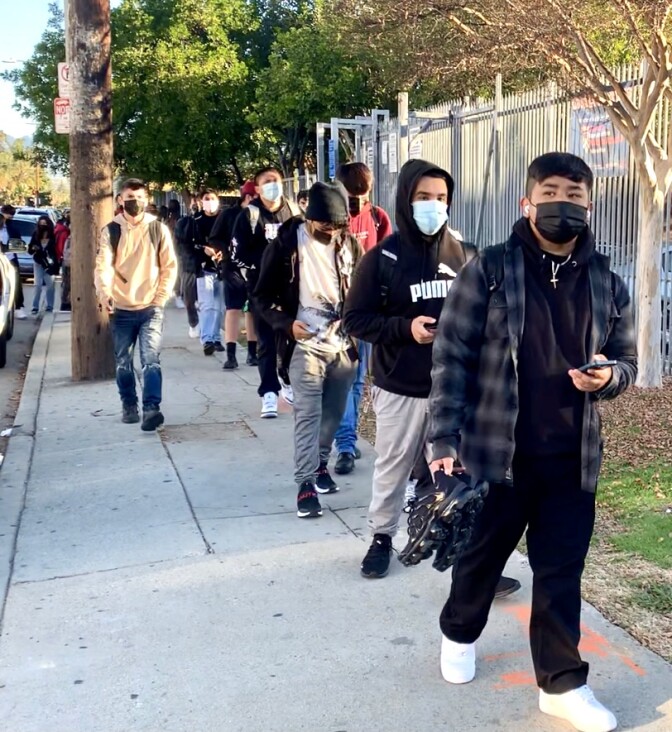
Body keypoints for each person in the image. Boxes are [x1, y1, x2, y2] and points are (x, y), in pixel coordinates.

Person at [427, 153, 637, 732]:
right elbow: (452, 355)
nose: (562, 203)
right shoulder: (490, 269)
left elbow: (627, 362)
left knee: (560, 571)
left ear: (589, 205)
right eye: (551, 192)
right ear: (529, 201)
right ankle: (459, 629)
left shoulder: (606, 282)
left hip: (572, 457)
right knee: (480, 559)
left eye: (574, 194)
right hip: (497, 454)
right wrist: (443, 436)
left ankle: (561, 684)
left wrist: (608, 377)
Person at [343, 160, 522, 595]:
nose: (434, 206)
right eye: (424, 197)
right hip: (403, 387)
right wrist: (406, 328)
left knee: (466, 476)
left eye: (441, 198)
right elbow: (356, 319)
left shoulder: (466, 254)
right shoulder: (382, 258)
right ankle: (382, 537)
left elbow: (491, 314)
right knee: (395, 466)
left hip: (460, 391)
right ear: (407, 198)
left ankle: (471, 562)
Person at [253, 181, 362, 518]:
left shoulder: (349, 245)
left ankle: (319, 465)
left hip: (342, 345)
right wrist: (286, 324)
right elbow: (260, 297)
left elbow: (360, 290)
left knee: (333, 413)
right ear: (309, 217)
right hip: (303, 344)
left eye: (338, 225)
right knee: (308, 414)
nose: (331, 230)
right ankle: (304, 485)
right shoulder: (287, 245)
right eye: (325, 225)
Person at [95, 178, 177, 431]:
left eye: (140, 197)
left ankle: (152, 408)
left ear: (147, 199)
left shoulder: (158, 229)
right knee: (123, 362)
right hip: (121, 308)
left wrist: (160, 297)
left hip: (151, 306)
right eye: (130, 197)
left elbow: (169, 266)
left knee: (151, 359)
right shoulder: (111, 231)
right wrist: (104, 293)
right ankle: (129, 403)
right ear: (120, 200)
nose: (135, 202)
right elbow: (103, 266)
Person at [333, 162, 393, 475]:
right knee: (344, 380)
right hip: (335, 314)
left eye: (362, 193)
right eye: (351, 193)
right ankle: (343, 443)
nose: (357, 200)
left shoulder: (378, 217)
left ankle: (347, 439)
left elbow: (389, 261)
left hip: (369, 312)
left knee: (358, 381)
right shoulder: (330, 220)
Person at [231, 166, 301, 418]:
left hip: (291, 289)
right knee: (266, 342)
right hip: (261, 289)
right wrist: (264, 267)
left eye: (277, 180)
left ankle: (287, 379)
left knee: (292, 337)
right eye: (267, 182)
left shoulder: (293, 212)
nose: (274, 185)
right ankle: (268, 393)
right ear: (257, 189)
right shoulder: (248, 216)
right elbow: (237, 254)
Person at [209, 181, 258, 369]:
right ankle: (231, 354)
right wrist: (225, 252)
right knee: (233, 308)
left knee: (252, 310)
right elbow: (215, 238)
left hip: (255, 268)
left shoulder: (260, 214)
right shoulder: (229, 215)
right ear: (248, 197)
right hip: (232, 267)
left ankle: (252, 353)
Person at [189, 188, 225, 356]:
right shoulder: (196, 221)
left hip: (223, 268)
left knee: (220, 306)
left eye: (212, 198)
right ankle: (207, 339)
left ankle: (216, 337)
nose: (209, 202)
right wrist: (204, 249)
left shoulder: (224, 219)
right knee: (207, 305)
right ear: (201, 201)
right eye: (206, 198)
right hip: (204, 268)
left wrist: (222, 253)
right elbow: (190, 244)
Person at [174, 205, 200, 338]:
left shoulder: (211, 220)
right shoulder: (184, 223)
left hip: (205, 266)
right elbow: (179, 243)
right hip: (188, 264)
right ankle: (194, 322)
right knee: (189, 297)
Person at [0, 205, 27, 319]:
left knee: (15, 283)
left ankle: (18, 307)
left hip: (8, 260)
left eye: (11, 214)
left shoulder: (12, 228)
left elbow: (18, 244)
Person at [28, 216, 58, 315]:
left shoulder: (53, 235)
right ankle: (35, 307)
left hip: (49, 264)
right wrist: (34, 248)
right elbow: (30, 250)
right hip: (38, 262)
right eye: (41, 224)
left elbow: (56, 250)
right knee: (38, 285)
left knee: (50, 286)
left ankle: (50, 306)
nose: (43, 226)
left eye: (45, 224)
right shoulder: (36, 235)